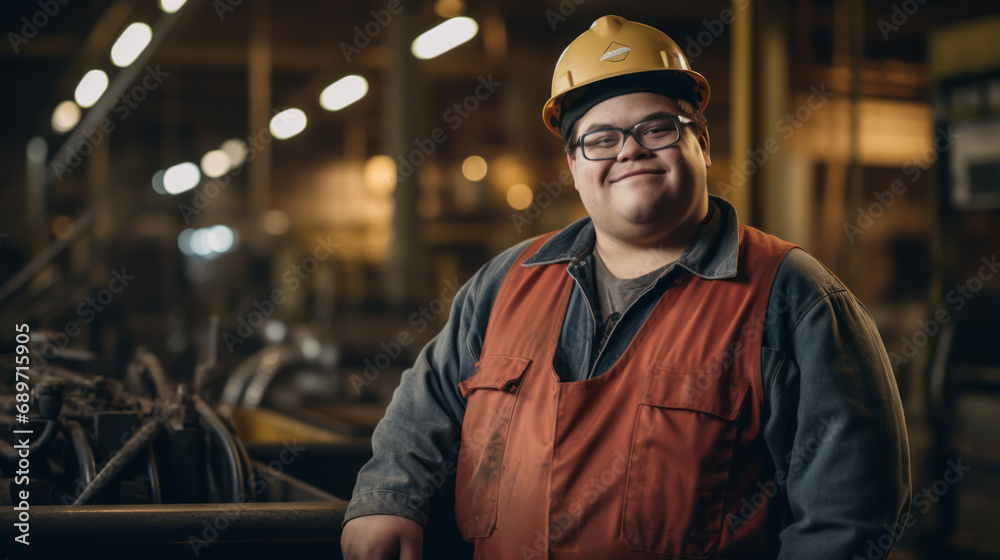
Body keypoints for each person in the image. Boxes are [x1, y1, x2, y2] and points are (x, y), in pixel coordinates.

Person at [341, 15, 910, 560]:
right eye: (600, 138)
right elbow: (425, 405)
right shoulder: (506, 283)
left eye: (657, 128)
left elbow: (849, 514)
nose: (629, 150)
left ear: (703, 143)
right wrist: (387, 500)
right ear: (573, 164)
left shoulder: (793, 298)